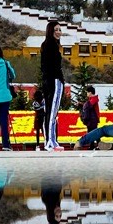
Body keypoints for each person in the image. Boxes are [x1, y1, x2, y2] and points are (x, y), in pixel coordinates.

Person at [38, 20, 65, 151]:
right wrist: (58, 78)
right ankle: (50, 141)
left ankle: (50, 140)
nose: (59, 32)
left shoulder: (46, 45)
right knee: (52, 111)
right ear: (51, 31)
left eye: (60, 29)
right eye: (56, 30)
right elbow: (51, 67)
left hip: (47, 81)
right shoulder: (51, 46)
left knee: (49, 111)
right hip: (54, 81)